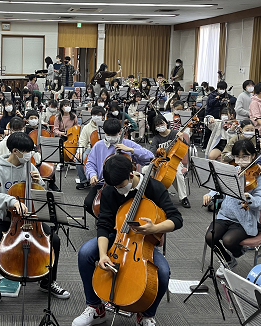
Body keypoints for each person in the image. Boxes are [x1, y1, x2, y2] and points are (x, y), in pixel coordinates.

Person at [73, 154, 183, 326]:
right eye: (114, 186)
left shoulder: (154, 188)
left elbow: (177, 219)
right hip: (116, 238)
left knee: (162, 273)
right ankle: (95, 308)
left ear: (131, 175)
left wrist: (154, 229)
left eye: (120, 186)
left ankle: (146, 315)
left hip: (143, 243)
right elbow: (103, 224)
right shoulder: (110, 189)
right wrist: (103, 254)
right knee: (85, 253)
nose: (118, 189)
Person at [0, 132, 70, 312]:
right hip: (6, 219)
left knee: (54, 241)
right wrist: (11, 201)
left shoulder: (30, 165)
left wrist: (39, 182)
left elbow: (40, 196)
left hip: (32, 219)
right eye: (26, 152)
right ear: (15, 151)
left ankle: (47, 281)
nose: (29, 155)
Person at [203, 139, 261, 277]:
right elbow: (219, 185)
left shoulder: (259, 177)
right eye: (237, 157)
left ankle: (238, 251)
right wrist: (210, 194)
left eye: (245, 157)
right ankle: (228, 260)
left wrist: (249, 198)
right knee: (210, 237)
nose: (241, 161)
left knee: (229, 241)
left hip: (244, 219)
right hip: (225, 215)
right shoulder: (232, 170)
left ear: (253, 156)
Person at [84, 118, 154, 217]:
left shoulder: (127, 144)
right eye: (108, 135)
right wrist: (92, 175)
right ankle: (104, 220)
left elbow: (150, 157)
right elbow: (90, 164)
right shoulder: (98, 146)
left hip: (124, 184)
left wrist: (131, 150)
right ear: (104, 133)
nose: (111, 138)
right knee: (88, 204)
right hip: (102, 184)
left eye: (114, 135)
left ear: (120, 132)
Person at [149, 115, 191, 208]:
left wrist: (182, 139)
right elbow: (152, 152)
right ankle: (153, 195)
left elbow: (186, 146)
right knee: (148, 170)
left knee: (178, 174)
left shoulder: (175, 133)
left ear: (166, 123)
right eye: (157, 125)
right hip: (161, 162)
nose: (160, 126)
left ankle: (183, 197)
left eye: (162, 123)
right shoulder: (156, 138)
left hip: (175, 160)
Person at [76, 107, 105, 190]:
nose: (96, 117)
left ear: (103, 116)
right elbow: (82, 142)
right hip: (90, 148)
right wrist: (80, 152)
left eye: (99, 115)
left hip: (104, 148)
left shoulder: (106, 125)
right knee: (80, 158)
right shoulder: (86, 127)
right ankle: (84, 181)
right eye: (94, 115)